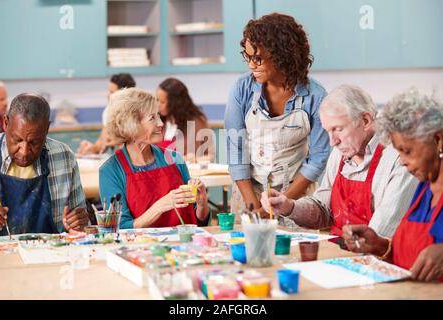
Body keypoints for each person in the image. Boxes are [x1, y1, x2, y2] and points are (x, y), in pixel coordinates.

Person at [261, 85, 418, 241]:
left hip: (375, 255)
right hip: (340, 248)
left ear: (365, 120)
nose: (332, 142)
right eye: (328, 131)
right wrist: (289, 207)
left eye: (338, 129)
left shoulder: (399, 159)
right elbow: (324, 211)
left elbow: (378, 237)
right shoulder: (341, 153)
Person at [225, 13, 330, 220]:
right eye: (248, 57)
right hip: (249, 191)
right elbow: (236, 151)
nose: (251, 65)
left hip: (296, 195)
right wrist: (254, 206)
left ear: (282, 55)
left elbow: (317, 159)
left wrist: (283, 203)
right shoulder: (242, 89)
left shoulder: (315, 97)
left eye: (258, 58)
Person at [342, 89, 443, 282]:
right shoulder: (424, 188)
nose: (403, 162)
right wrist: (379, 245)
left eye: (407, 151)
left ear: (437, 140)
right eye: (399, 153)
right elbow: (410, 255)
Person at [99, 88, 210, 228]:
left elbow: (198, 220)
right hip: (138, 248)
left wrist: (202, 204)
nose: (160, 123)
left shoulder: (174, 158)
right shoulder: (110, 171)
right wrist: (160, 206)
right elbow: (118, 228)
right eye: (152, 118)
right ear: (131, 125)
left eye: (158, 116)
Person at [0, 94, 89, 234]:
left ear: (47, 129)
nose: (24, 152)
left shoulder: (64, 157)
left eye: (34, 142)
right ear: (6, 123)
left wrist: (79, 224)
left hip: (51, 252)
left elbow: (82, 227)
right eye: (17, 140)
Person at [156, 77, 214, 162]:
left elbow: (211, 156)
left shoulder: (198, 123)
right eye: (157, 100)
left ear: (176, 103)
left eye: (162, 102)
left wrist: (196, 159)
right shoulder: (156, 122)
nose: (158, 105)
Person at [77, 73, 136, 155]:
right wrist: (90, 148)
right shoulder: (109, 111)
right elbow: (101, 144)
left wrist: (118, 140)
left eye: (112, 92)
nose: (107, 95)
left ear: (125, 95)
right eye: (109, 91)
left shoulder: (138, 113)